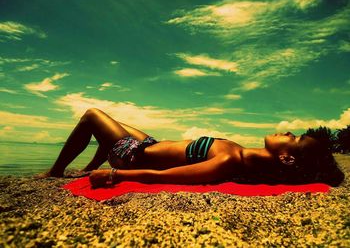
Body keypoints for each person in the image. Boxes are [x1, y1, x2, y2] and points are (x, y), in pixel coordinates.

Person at [37, 108, 344, 188]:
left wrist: (116, 176)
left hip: (131, 155)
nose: (289, 130)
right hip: (147, 143)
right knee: (110, 124)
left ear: (287, 157)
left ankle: (55, 172)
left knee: (91, 115)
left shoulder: (229, 161)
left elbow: (168, 177)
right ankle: (93, 160)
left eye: (296, 137)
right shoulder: (240, 153)